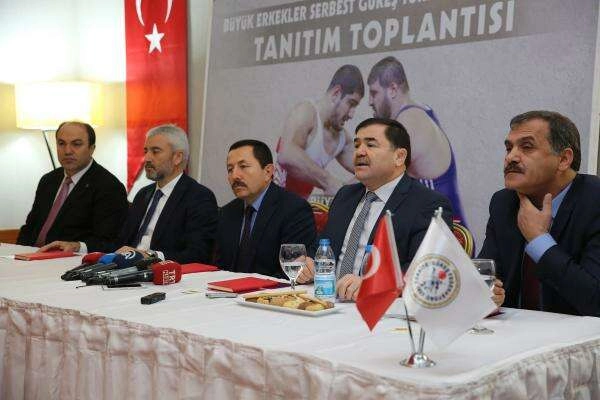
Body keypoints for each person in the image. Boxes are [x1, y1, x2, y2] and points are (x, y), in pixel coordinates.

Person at [297, 118, 453, 301]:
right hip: (329, 300)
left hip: (381, 307)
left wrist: (373, 283)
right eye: (357, 145)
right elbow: (321, 248)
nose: (359, 152)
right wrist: (309, 264)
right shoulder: (345, 196)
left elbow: (426, 270)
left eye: (370, 145)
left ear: (399, 156)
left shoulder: (428, 204)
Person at [479, 110, 600, 316]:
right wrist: (484, 294)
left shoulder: (594, 202)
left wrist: (539, 240)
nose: (510, 157)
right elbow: (485, 275)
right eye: (509, 148)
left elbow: (594, 301)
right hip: (515, 331)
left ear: (564, 159)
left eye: (527, 147)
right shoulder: (504, 203)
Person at [44, 124, 218, 264]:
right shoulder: (144, 195)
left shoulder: (198, 197)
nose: (147, 158)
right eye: (145, 151)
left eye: (155, 151)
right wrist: (78, 246)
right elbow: (119, 243)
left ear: (178, 157)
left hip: (163, 276)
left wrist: (150, 256)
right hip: (126, 270)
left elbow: (198, 253)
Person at [367, 56, 467, 225]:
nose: (370, 101)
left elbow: (375, 173)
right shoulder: (421, 111)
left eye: (374, 93)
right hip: (438, 229)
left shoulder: (409, 121)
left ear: (392, 89)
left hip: (443, 235)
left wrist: (338, 187)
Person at [19, 121, 128, 251]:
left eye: (76, 144)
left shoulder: (109, 187)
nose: (67, 151)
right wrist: (18, 253)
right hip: (31, 254)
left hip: (68, 259)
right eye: (61, 143)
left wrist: (77, 247)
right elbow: (30, 227)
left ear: (92, 149)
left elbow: (108, 241)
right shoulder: (48, 180)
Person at [216, 139, 316, 278]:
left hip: (271, 290)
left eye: (243, 166)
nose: (235, 176)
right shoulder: (227, 212)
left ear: (268, 171)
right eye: (230, 169)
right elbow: (219, 265)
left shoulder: (294, 210)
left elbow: (292, 270)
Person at [275, 64, 364, 198]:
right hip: (273, 204)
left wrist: (344, 192)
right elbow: (286, 155)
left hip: (299, 207)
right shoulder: (306, 112)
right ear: (336, 93)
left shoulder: (342, 139)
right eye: (351, 104)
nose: (352, 114)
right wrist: (329, 182)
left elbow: (371, 171)